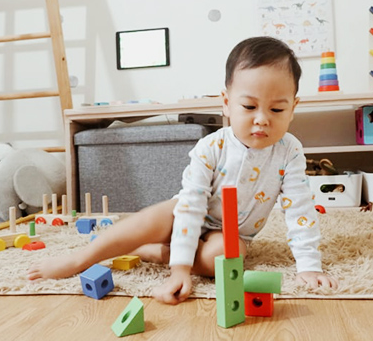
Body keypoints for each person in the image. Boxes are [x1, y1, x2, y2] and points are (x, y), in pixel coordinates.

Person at [27, 36, 339, 304]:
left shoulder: (290, 150)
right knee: (152, 218)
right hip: (188, 212)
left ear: (293, 108)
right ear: (226, 103)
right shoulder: (211, 147)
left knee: (221, 261)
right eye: (248, 107)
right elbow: (191, 207)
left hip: (233, 232)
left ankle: (153, 251)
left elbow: (299, 209)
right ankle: (80, 258)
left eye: (277, 109)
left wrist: (309, 266)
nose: (262, 119)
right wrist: (178, 271)